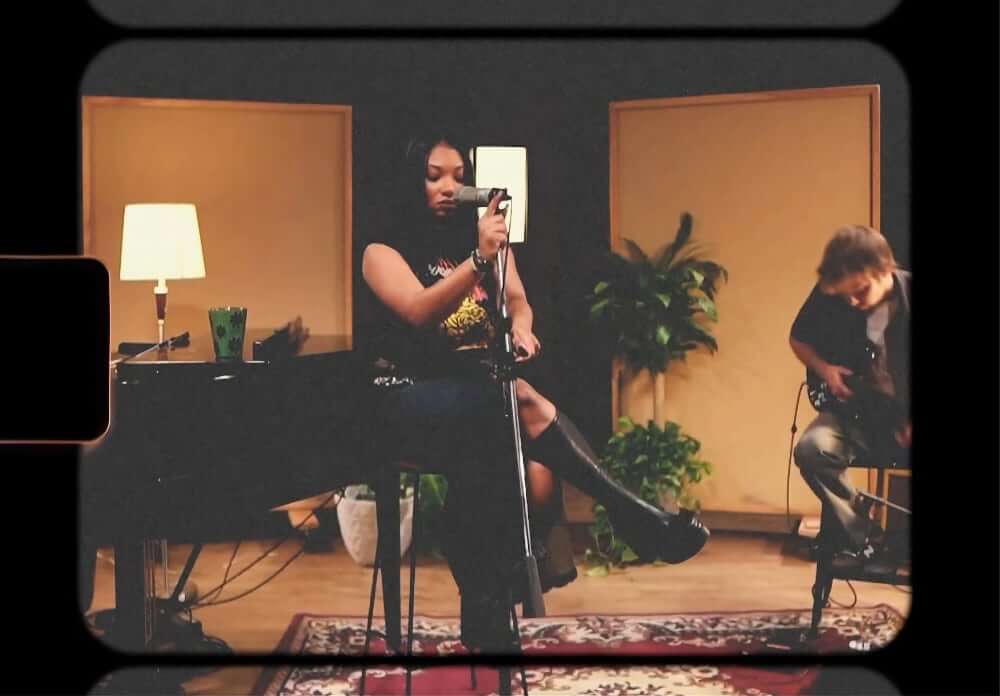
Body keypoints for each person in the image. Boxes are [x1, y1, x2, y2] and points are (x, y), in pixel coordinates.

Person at [360, 133, 709, 651]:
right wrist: (478, 262)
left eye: (459, 175)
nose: (449, 187)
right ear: (411, 180)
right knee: (518, 401)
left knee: (523, 461)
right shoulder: (381, 249)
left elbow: (519, 300)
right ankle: (633, 515)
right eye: (435, 176)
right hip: (407, 394)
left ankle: (487, 603)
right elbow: (417, 311)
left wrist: (522, 327)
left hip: (474, 391)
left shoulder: (484, 240)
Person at [790, 225, 911, 562]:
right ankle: (866, 536)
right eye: (845, 296)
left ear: (885, 270)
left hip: (900, 419)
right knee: (812, 450)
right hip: (855, 414)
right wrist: (825, 369)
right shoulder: (833, 295)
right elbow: (798, 338)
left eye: (860, 291)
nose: (852, 302)